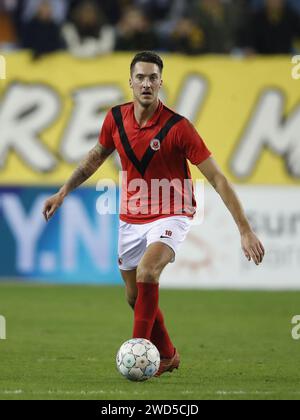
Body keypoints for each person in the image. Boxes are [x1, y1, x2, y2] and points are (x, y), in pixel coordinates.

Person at [43, 51, 265, 377]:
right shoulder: (115, 120)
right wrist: (63, 191)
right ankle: (169, 354)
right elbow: (94, 158)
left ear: (161, 82)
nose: (146, 83)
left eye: (152, 78)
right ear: (130, 82)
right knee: (135, 297)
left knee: (148, 272)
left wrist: (244, 229)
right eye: (140, 77)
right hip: (131, 217)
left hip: (172, 212)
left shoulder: (179, 128)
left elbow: (217, 178)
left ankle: (138, 357)